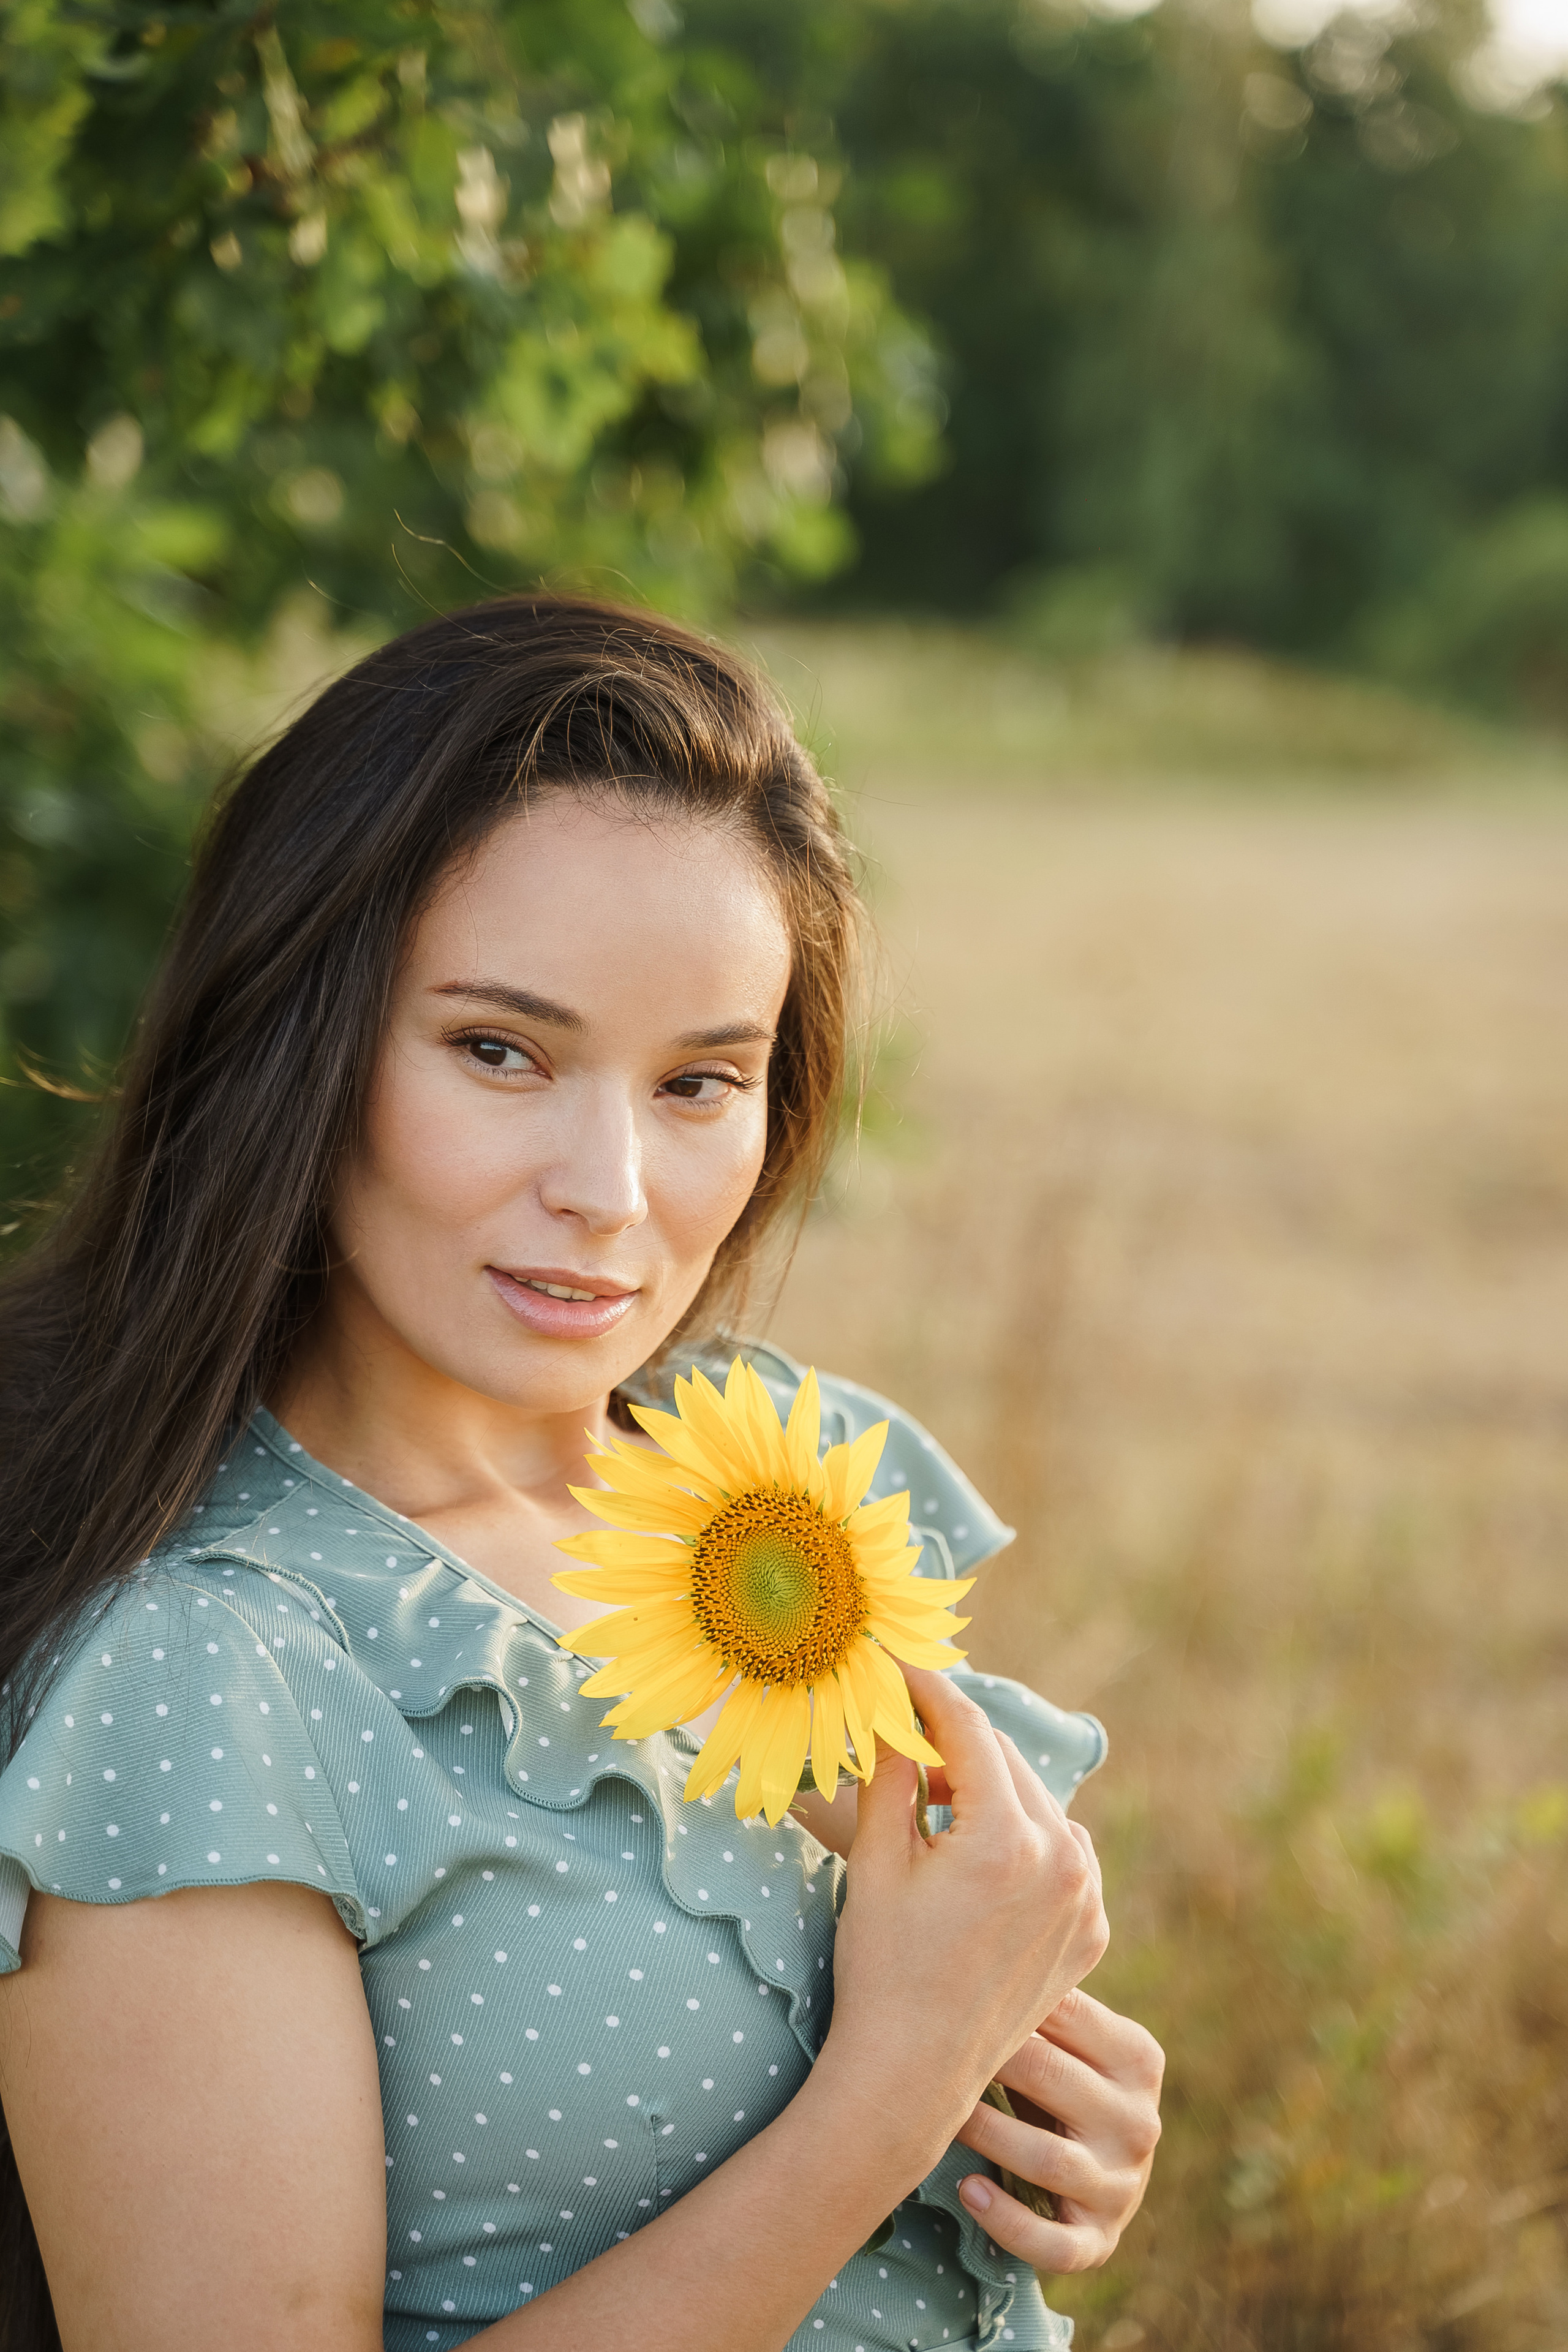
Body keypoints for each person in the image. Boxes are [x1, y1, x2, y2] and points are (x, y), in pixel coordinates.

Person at [0, 597, 1162, 2352]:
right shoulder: (211, 1679)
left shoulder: (767, 1496)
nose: (611, 1187)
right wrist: (892, 2096)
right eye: (500, 1052)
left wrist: (1041, 2130)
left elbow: (959, 2002)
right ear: (299, 1049)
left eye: (703, 1080)